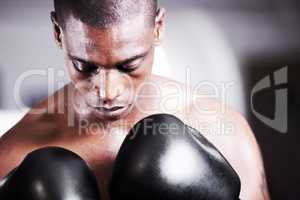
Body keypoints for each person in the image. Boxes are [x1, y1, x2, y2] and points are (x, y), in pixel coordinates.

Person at [0, 0, 270, 199]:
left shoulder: (222, 130)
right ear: (59, 33)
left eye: (128, 65)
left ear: (158, 28)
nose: (107, 92)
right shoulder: (15, 152)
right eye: (85, 66)